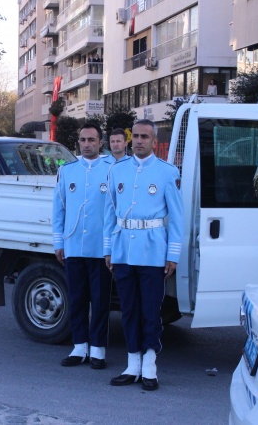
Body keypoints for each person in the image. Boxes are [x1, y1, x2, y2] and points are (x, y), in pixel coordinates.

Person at [103, 119, 183, 391]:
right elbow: (109, 214)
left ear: (153, 140)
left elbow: (177, 218)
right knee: (128, 310)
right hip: (124, 249)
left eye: (144, 137)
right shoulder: (117, 171)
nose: (139, 141)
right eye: (135, 136)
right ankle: (132, 363)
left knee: (151, 310)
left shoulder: (166, 172)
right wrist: (108, 249)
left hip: (153, 251)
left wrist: (172, 254)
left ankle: (150, 364)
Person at [53, 122, 113, 369]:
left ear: (101, 142)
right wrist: (59, 241)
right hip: (74, 245)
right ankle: (79, 346)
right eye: (82, 140)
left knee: (100, 300)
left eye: (92, 140)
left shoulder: (113, 168)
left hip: (101, 248)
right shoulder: (68, 171)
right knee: (77, 298)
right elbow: (59, 208)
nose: (87, 144)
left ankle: (98, 348)